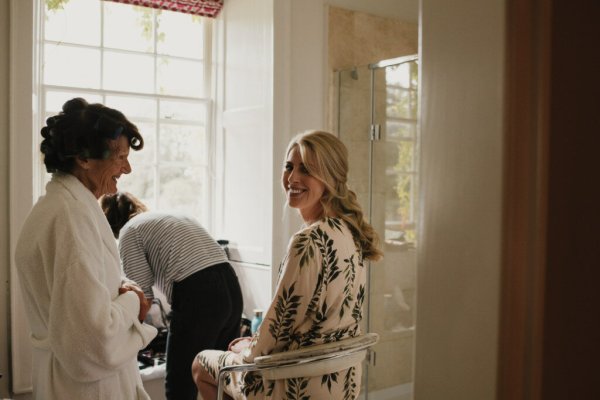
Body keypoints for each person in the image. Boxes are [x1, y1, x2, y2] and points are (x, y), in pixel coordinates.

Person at [192, 130, 383, 400]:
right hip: (341, 383)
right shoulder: (349, 232)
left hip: (295, 384)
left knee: (202, 364)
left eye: (306, 170)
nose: (292, 178)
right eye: (289, 167)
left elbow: (279, 326)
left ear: (329, 177)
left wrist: (246, 350)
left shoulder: (307, 241)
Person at [14, 98, 157, 400]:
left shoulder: (58, 208)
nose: (127, 167)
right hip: (87, 389)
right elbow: (91, 340)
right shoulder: (70, 218)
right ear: (84, 158)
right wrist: (132, 300)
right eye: (119, 156)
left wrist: (118, 287)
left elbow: (77, 297)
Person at [99, 191, 244, 400]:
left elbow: (141, 298)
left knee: (180, 385)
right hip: (230, 283)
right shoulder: (169, 216)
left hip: (199, 292)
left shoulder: (129, 233)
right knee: (224, 378)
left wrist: (130, 337)